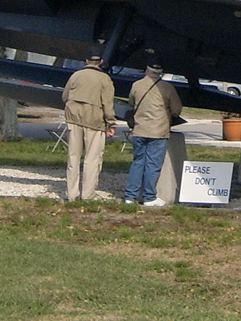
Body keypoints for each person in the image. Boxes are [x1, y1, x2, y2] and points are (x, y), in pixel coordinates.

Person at [61, 47, 116, 201]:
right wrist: (111, 124)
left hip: (74, 119)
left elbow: (65, 96)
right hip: (95, 121)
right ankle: (88, 194)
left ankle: (72, 194)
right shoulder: (105, 79)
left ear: (86, 61)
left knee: (73, 157)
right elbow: (108, 104)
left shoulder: (76, 76)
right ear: (101, 62)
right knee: (92, 159)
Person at [124, 60, 183, 206]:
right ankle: (149, 197)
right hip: (159, 131)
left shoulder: (136, 85)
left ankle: (130, 196)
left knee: (138, 162)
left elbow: (131, 103)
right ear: (161, 71)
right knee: (153, 165)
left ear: (147, 70)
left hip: (140, 129)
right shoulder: (168, 88)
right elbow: (176, 110)